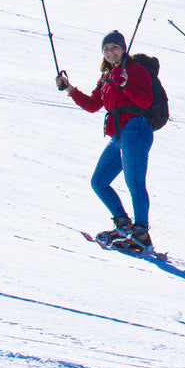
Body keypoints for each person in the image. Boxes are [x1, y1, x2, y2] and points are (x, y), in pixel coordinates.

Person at [56, 30, 155, 253]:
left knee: (135, 183)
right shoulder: (107, 75)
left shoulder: (135, 70)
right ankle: (123, 225)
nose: (111, 52)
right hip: (117, 135)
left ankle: (141, 236)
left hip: (136, 129)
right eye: (106, 49)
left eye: (115, 47)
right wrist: (69, 88)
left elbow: (146, 101)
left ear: (123, 49)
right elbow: (93, 104)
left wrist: (125, 84)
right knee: (99, 182)